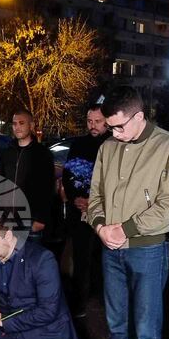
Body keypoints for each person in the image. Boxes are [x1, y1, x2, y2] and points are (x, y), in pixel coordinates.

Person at [85, 86, 169, 339]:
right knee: (116, 326)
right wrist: (100, 227)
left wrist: (126, 228)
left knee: (145, 332)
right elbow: (94, 193)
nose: (113, 134)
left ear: (139, 117)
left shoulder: (168, 145)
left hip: (147, 249)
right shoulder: (109, 147)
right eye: (110, 128)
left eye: (119, 127)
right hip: (110, 248)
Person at [62, 104, 110, 319]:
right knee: (81, 259)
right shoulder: (79, 144)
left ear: (107, 121)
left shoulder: (113, 145)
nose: (93, 125)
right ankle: (79, 302)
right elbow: (68, 174)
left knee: (103, 259)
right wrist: (76, 199)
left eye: (97, 121)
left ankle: (102, 300)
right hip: (79, 211)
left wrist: (94, 202)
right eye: (90, 121)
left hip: (105, 214)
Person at [0, 109, 54, 242]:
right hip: (9, 221)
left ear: (31, 125)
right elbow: (2, 184)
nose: (17, 127)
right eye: (14, 123)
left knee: (31, 260)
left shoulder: (42, 154)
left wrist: (41, 218)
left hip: (30, 220)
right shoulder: (7, 153)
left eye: (21, 123)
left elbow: (47, 188)